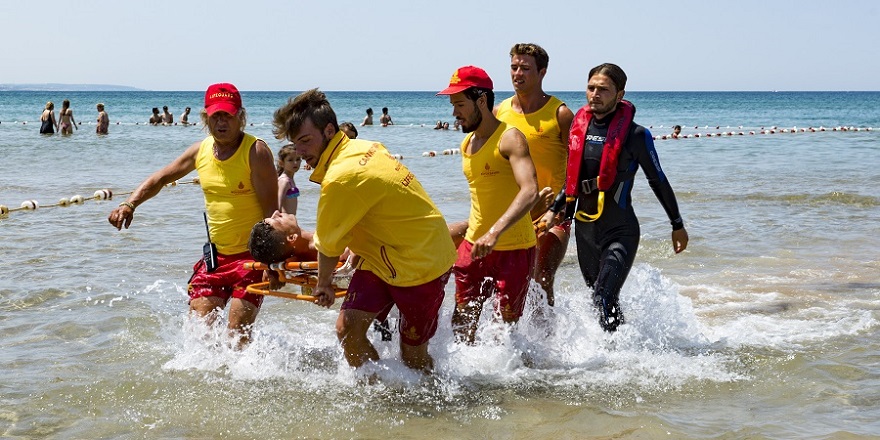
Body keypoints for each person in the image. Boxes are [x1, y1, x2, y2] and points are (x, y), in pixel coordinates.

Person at [269, 89, 456, 372]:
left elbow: (328, 246)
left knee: (412, 354)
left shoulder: (341, 177)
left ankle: (430, 408)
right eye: (296, 143)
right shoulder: (365, 146)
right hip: (382, 257)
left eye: (306, 141)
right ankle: (378, 391)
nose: (301, 151)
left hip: (423, 265)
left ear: (329, 131)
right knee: (347, 330)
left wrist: (322, 285)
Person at [107, 83, 278, 347]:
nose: (222, 122)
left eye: (228, 115)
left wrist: (271, 263)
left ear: (240, 117)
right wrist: (130, 204)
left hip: (251, 258)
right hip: (216, 258)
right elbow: (161, 178)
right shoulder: (200, 151)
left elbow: (272, 212)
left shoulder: (256, 152)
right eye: (216, 116)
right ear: (205, 117)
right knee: (200, 334)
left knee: (236, 336)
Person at [541, 63, 689, 332]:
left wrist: (676, 224)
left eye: (603, 89)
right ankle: (620, 352)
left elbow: (658, 180)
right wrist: (553, 209)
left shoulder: (636, 136)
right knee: (597, 298)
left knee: (603, 297)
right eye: (591, 88)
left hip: (620, 231)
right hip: (585, 230)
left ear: (620, 95)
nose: (595, 94)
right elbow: (573, 180)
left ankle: (618, 360)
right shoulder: (580, 129)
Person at [437, 66, 539, 345]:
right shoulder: (467, 143)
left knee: (503, 333)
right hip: (474, 247)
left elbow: (530, 190)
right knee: (461, 323)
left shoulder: (510, 138)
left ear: (481, 100)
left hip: (514, 249)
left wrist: (495, 232)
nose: (454, 113)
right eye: (453, 105)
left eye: (460, 104)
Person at [494, 43, 574, 307]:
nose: (518, 73)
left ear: (542, 72)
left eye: (525, 68)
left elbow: (578, 167)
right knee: (504, 281)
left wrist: (562, 208)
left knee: (542, 277)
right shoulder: (499, 112)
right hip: (512, 212)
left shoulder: (560, 114)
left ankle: (548, 344)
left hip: (551, 212)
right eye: (514, 67)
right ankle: (509, 340)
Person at [276, 144, 301, 215]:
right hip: (284, 221)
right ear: (281, 163)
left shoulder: (290, 179)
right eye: (290, 160)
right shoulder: (284, 181)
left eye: (298, 159)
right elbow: (277, 204)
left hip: (290, 220)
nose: (295, 163)